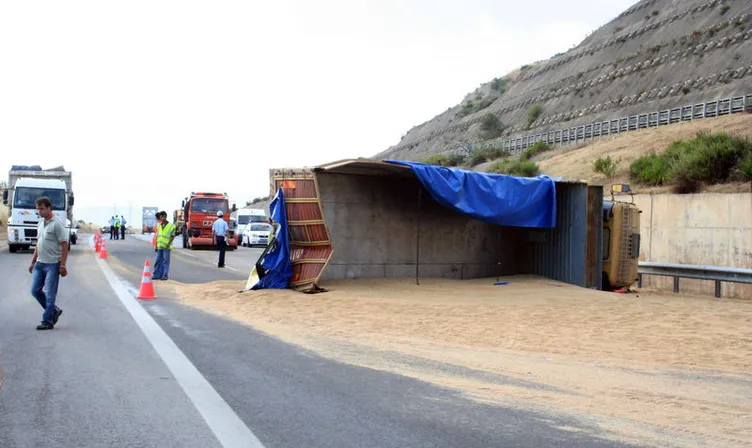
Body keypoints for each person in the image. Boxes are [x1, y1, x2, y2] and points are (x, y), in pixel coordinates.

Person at [29, 197, 69, 330]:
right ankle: (54, 311)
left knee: (50, 293)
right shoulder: (40, 223)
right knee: (35, 290)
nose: (39, 211)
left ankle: (47, 321)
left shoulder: (57, 224)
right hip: (40, 263)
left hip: (52, 264)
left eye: (42, 209)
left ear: (49, 208)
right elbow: (38, 244)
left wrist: (62, 265)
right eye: (38, 209)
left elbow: (64, 244)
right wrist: (33, 261)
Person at [153, 211, 176, 281]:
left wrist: (169, 243)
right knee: (157, 261)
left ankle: (164, 275)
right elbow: (157, 236)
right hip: (159, 246)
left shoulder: (171, 226)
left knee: (165, 262)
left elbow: (172, 236)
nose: (162, 218)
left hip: (166, 247)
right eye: (160, 217)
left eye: (163, 217)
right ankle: (156, 275)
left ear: (165, 216)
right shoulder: (159, 225)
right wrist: (156, 246)